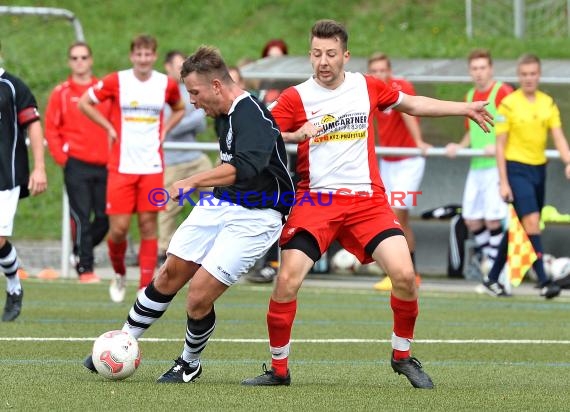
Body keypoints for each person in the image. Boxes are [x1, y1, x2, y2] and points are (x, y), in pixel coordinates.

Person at [240, 19, 492, 389]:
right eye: (315, 54)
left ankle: (402, 356)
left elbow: (413, 104)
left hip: (367, 201)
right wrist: (296, 133)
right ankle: (279, 370)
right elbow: (260, 133)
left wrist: (463, 108)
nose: (322, 61)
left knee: (405, 275)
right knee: (287, 280)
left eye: (330, 54)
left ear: (345, 55)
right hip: (317, 200)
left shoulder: (366, 86)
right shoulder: (297, 97)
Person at [83, 45, 295, 383]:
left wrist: (191, 182)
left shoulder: (248, 112)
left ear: (215, 86)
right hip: (222, 203)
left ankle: (188, 364)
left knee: (197, 295)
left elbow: (245, 166)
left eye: (194, 93)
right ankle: (122, 342)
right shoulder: (223, 112)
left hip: (259, 213)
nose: (192, 101)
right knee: (169, 274)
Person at [78, 34, 185, 302]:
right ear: (132, 56)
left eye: (148, 54)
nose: (143, 59)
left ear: (154, 56)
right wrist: (109, 127)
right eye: (139, 54)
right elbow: (84, 102)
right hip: (121, 166)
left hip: (151, 166)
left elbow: (180, 108)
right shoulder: (118, 80)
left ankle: (144, 285)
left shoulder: (165, 84)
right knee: (118, 230)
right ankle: (119, 273)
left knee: (149, 225)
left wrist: (166, 130)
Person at [482, 53, 570, 299]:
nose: (529, 78)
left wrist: (568, 161)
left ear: (539, 75)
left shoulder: (547, 103)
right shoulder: (508, 104)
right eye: (524, 74)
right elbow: (500, 145)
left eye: (533, 74)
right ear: (518, 76)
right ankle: (543, 281)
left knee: (521, 227)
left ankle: (492, 278)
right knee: (531, 222)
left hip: (538, 170)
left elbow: (558, 135)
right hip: (516, 168)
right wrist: (504, 181)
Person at [45, 42, 111, 283]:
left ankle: (78, 252)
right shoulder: (61, 93)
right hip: (76, 165)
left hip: (105, 165)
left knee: (105, 219)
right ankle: (86, 269)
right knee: (81, 217)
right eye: (75, 58)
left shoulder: (102, 91)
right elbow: (51, 129)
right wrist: (63, 158)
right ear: (69, 62)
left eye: (84, 57)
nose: (80, 62)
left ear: (91, 60)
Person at [445, 49, 513, 279]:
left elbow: (513, 127)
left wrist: (499, 147)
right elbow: (471, 132)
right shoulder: (470, 95)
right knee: (472, 219)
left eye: (483, 68)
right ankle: (491, 263)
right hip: (476, 166)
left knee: (494, 219)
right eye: (475, 68)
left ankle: (495, 273)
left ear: (491, 69)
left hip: (496, 166)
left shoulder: (502, 91)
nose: (479, 73)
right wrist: (459, 146)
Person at [367, 52, 431, 291]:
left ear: (390, 70)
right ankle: (407, 273)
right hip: (388, 160)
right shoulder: (371, 90)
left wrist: (419, 141)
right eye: (375, 70)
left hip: (408, 160)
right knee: (394, 218)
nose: (380, 74)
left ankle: (405, 273)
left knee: (397, 214)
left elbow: (409, 113)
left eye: (384, 69)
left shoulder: (399, 87)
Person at [0, 41, 48, 321]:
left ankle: (14, 286)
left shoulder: (13, 86)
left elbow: (34, 125)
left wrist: (39, 168)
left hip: (6, 177)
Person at [158, 50, 212, 265]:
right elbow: (168, 128)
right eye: (177, 66)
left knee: (215, 198)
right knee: (168, 208)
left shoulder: (188, 89)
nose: (181, 71)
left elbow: (200, 123)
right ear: (167, 67)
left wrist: (188, 119)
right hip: (173, 160)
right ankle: (164, 251)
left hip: (195, 157)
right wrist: (196, 114)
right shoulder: (162, 92)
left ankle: (211, 243)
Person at [246, 39, 292, 284]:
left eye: (279, 58)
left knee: (276, 211)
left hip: (279, 163)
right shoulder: (260, 88)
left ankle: (272, 265)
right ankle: (256, 261)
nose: (273, 64)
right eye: (269, 58)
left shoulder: (290, 89)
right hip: (258, 161)